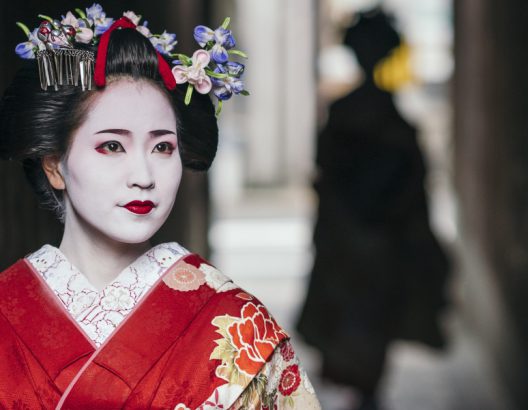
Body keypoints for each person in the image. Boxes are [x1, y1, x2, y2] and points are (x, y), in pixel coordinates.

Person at [0, 5, 320, 409]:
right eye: (112, 146)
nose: (144, 175)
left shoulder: (236, 322)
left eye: (163, 147)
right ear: (54, 165)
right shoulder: (6, 312)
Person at [296, 8, 450, 410]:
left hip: (369, 236)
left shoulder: (357, 113)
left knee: (366, 319)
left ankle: (365, 391)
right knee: (364, 319)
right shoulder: (380, 116)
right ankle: (365, 391)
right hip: (368, 237)